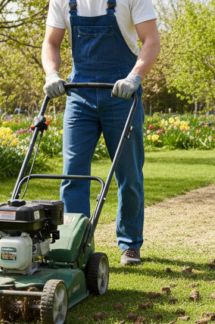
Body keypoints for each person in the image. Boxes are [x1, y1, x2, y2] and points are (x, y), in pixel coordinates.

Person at [42, 0, 160, 266]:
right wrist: (51, 74)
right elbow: (51, 43)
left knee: (128, 174)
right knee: (73, 174)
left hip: (121, 92)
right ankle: (76, 246)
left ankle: (130, 245)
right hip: (79, 94)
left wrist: (135, 77)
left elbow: (151, 40)